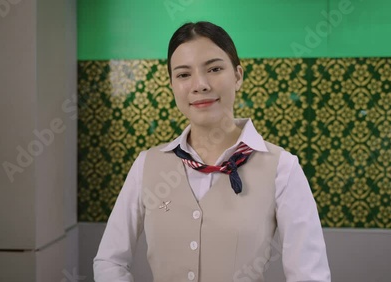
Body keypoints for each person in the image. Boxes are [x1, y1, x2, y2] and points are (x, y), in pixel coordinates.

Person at [94, 21, 331, 282]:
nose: (200, 85)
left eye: (215, 69)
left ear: (238, 76)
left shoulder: (282, 168)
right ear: (172, 84)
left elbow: (309, 275)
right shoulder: (146, 165)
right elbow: (110, 260)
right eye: (184, 74)